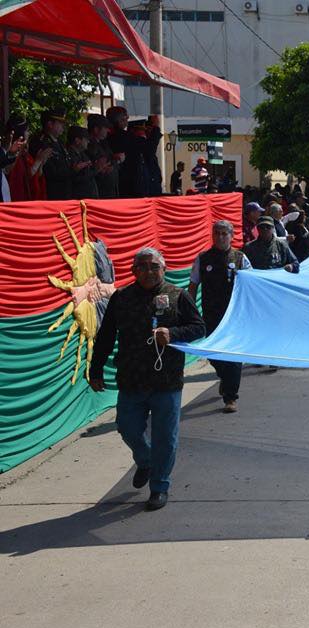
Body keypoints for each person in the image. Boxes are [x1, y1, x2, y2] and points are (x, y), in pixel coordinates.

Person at [88, 247, 205, 510]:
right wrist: (95, 369)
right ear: (133, 271)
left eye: (154, 266)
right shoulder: (121, 297)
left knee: (166, 437)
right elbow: (106, 336)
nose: (148, 271)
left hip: (166, 380)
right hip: (131, 378)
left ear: (163, 269)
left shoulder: (178, 296)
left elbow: (199, 327)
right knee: (127, 427)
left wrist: (173, 333)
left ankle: (159, 486)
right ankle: (145, 460)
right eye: (142, 266)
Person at [188, 221, 251, 413]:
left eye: (225, 233)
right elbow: (193, 286)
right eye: (217, 233)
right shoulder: (203, 258)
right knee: (214, 354)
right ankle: (224, 377)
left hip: (235, 316)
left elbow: (251, 284)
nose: (221, 237)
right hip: (211, 314)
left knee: (233, 356)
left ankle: (230, 397)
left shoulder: (240, 258)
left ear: (231, 236)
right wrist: (189, 311)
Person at [106, 107, 161, 198]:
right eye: (126, 117)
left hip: (116, 185)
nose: (127, 120)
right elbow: (149, 148)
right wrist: (156, 127)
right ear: (120, 120)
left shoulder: (109, 137)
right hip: (130, 186)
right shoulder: (124, 137)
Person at [33, 110, 71, 200]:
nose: (63, 126)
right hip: (51, 193)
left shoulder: (60, 143)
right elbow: (49, 172)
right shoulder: (40, 142)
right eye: (60, 123)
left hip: (65, 193)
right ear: (50, 124)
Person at [86, 114, 119, 199]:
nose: (108, 131)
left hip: (108, 190)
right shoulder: (90, 146)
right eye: (105, 128)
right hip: (101, 191)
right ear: (96, 129)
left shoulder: (103, 144)